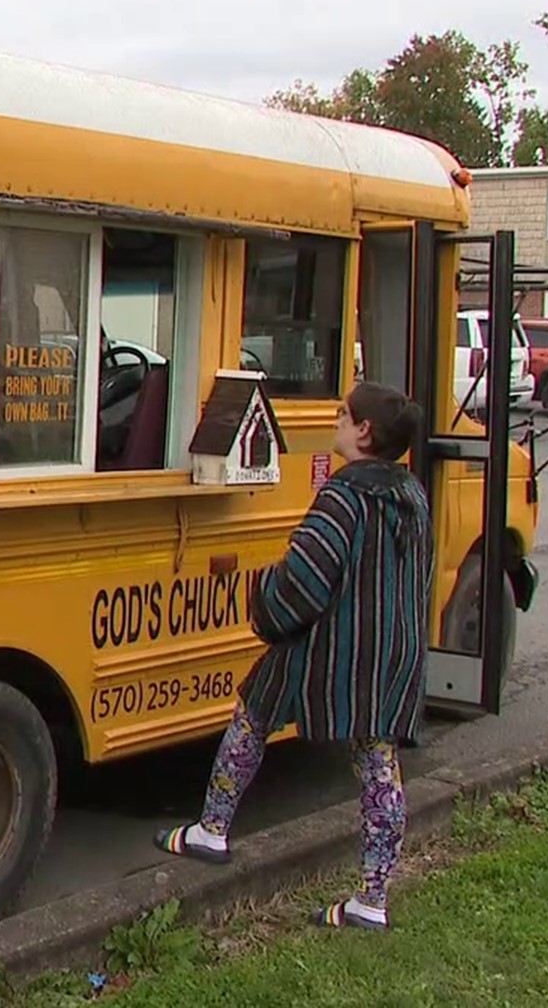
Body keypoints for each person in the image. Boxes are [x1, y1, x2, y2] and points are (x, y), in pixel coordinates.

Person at [155, 381, 433, 932]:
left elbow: (304, 582)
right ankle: (372, 899)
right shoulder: (412, 496)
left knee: (252, 715)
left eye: (343, 413)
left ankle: (212, 830)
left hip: (330, 651)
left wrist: (263, 604)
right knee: (379, 768)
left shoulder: (344, 496)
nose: (335, 418)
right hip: (389, 654)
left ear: (363, 432)